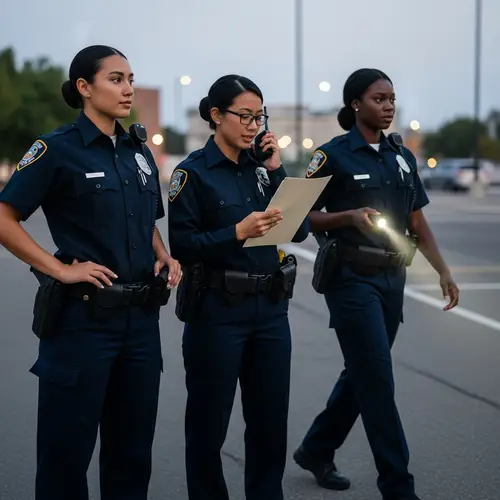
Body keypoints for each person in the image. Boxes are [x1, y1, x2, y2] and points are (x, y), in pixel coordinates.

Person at [0, 45, 182, 500]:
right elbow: (4, 216)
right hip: (83, 325)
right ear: (84, 87)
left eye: (130, 78)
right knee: (65, 460)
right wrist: (57, 270)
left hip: (140, 325)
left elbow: (147, 219)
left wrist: (163, 253)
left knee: (131, 458)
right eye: (116, 79)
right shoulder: (57, 149)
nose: (128, 88)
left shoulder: (137, 150)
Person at [293, 68, 459, 500]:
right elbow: (297, 216)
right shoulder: (331, 156)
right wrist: (346, 217)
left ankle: (316, 448)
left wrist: (441, 268)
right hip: (349, 279)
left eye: (391, 99)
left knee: (364, 373)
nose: (388, 107)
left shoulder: (401, 157)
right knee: (378, 380)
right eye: (379, 99)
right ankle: (398, 486)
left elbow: (416, 219)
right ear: (355, 105)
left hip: (392, 278)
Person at [167, 74, 309, 500]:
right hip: (216, 312)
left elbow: (298, 232)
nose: (253, 125)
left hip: (270, 312)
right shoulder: (192, 174)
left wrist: (276, 167)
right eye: (244, 116)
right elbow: (184, 246)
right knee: (209, 425)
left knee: (269, 423)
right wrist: (236, 232)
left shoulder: (261, 171)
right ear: (216, 116)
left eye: (259, 117)